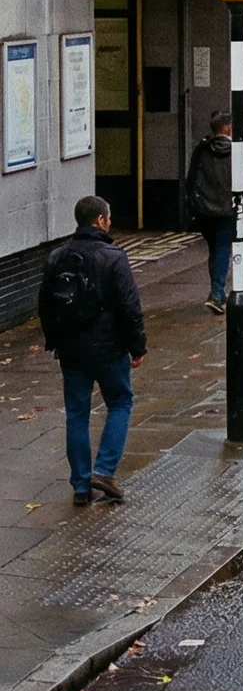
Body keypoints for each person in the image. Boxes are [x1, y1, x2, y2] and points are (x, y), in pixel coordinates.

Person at [39, 197, 145, 507]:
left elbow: (45, 304)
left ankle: (81, 486)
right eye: (108, 218)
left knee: (77, 414)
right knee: (120, 402)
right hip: (110, 350)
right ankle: (105, 471)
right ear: (100, 220)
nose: (110, 223)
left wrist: (55, 342)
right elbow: (129, 306)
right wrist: (137, 347)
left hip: (72, 351)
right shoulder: (114, 256)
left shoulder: (57, 257)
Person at [186, 113, 243, 314]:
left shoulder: (202, 149)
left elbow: (191, 178)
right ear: (228, 128)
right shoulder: (238, 149)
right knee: (222, 248)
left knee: (214, 248)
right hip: (228, 208)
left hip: (205, 209)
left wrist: (193, 203)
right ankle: (216, 294)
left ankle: (218, 290)